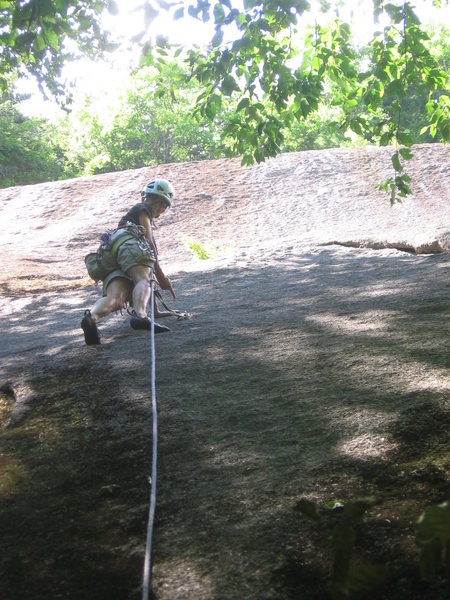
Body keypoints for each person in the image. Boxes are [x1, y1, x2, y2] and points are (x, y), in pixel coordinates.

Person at [81, 178, 176, 345]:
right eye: (162, 206)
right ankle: (140, 315)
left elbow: (144, 274)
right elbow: (149, 243)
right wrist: (162, 277)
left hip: (113, 254)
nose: (161, 211)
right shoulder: (142, 209)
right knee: (143, 280)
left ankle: (92, 317)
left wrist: (156, 311)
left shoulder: (128, 218)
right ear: (159, 203)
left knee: (116, 299)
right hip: (128, 246)